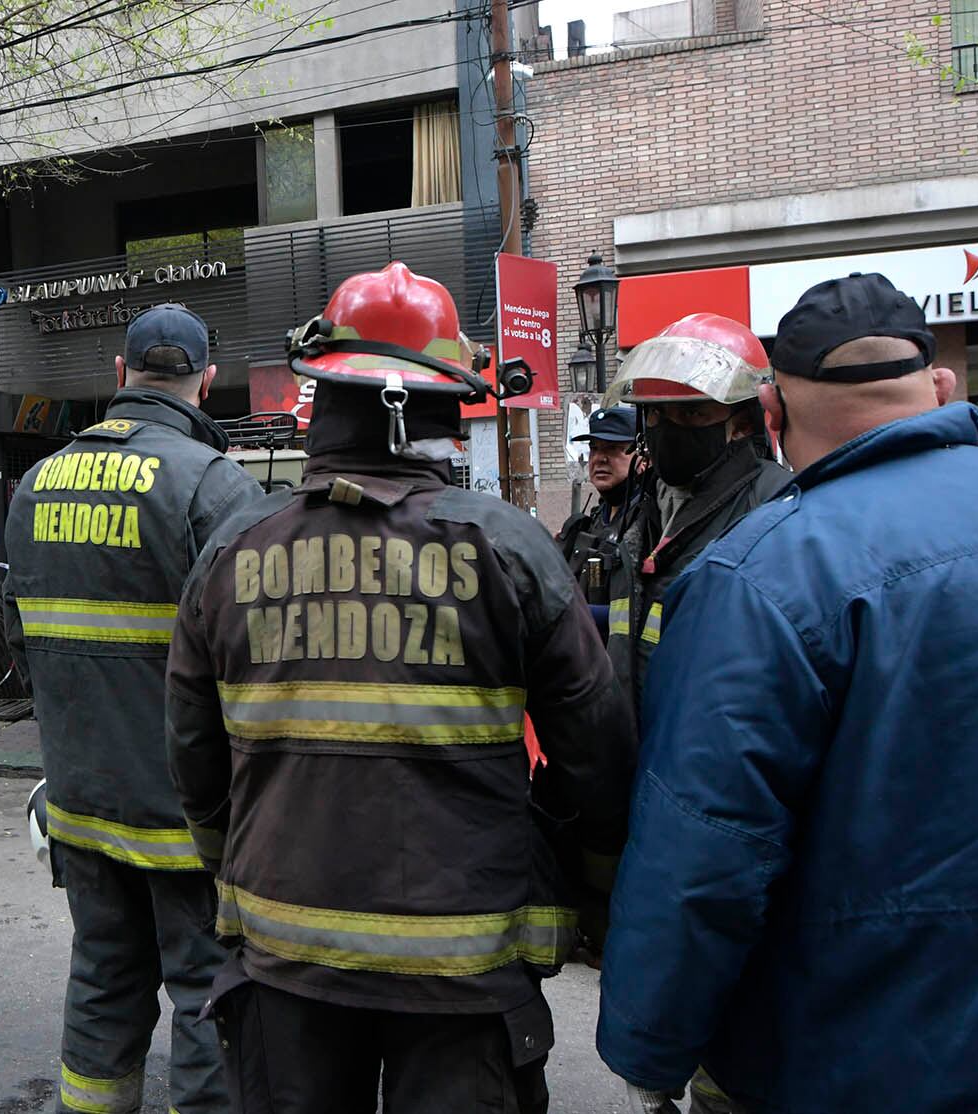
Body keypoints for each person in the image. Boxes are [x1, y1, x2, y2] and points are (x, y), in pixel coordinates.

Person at [165, 263, 636, 1113]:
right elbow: (595, 757)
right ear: (440, 408)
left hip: (284, 965)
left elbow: (194, 759)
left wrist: (234, 862)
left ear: (321, 397)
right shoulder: (514, 550)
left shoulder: (232, 552)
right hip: (463, 978)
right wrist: (585, 880)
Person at [598, 273, 978, 1114]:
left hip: (843, 1053)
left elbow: (707, 842)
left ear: (766, 414)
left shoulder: (768, 571)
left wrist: (649, 1045)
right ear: (940, 385)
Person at [3, 304, 262, 1114]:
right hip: (187, 817)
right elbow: (253, 665)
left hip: (81, 804)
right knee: (207, 991)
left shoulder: (36, 486)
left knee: (104, 976)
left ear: (118, 375)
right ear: (206, 384)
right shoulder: (215, 487)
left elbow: (21, 649)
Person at [602, 313, 790, 718]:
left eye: (691, 414)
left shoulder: (774, 506)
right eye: (656, 413)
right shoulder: (644, 503)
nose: (667, 428)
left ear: (742, 422)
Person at [556, 404, 643, 611]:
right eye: (594, 448)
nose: (599, 458)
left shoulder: (651, 519)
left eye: (613, 449)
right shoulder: (592, 521)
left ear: (642, 458)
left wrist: (579, 617)